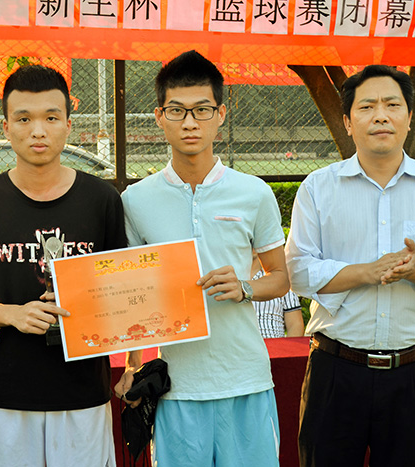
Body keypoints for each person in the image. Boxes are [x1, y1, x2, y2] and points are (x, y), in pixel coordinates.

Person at [0, 64, 126, 467]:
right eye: (24, 119)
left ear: (68, 125)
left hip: (83, 389)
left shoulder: (101, 199)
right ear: (6, 127)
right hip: (4, 390)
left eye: (51, 118)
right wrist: (14, 314)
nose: (38, 131)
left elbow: (120, 293)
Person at [115, 50, 290, 466]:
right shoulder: (136, 200)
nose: (190, 122)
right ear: (159, 117)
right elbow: (130, 294)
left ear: (220, 114)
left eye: (202, 110)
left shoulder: (253, 193)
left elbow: (282, 277)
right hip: (178, 387)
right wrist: (131, 366)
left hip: (246, 380)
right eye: (177, 110)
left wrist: (245, 288)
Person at [286, 64, 415, 467]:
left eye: (391, 105)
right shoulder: (318, 187)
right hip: (335, 369)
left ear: (409, 116)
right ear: (348, 122)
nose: (380, 115)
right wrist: (366, 272)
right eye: (367, 107)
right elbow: (297, 270)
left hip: (413, 373)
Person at [251, 252, 304, 338]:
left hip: (275, 344)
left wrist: (286, 347)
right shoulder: (230, 280)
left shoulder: (281, 280)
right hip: (238, 345)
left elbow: (295, 325)